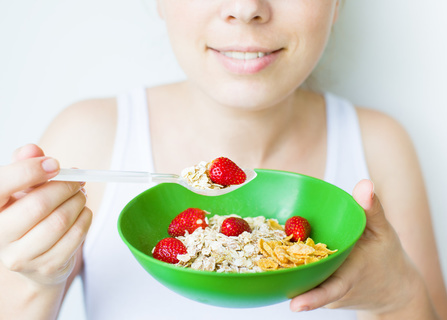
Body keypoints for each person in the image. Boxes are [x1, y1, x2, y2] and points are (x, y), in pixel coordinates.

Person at [1, 1, 446, 319]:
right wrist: (33, 282)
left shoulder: (380, 146)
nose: (246, 7)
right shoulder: (87, 137)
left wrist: (397, 296)